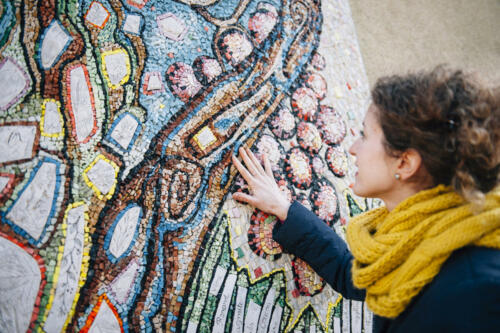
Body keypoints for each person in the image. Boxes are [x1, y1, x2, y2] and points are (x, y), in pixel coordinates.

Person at [231, 66, 500, 332]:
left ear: (405, 163)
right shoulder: (417, 238)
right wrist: (284, 208)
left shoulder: (477, 293)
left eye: (365, 135)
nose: (352, 148)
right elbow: (356, 277)